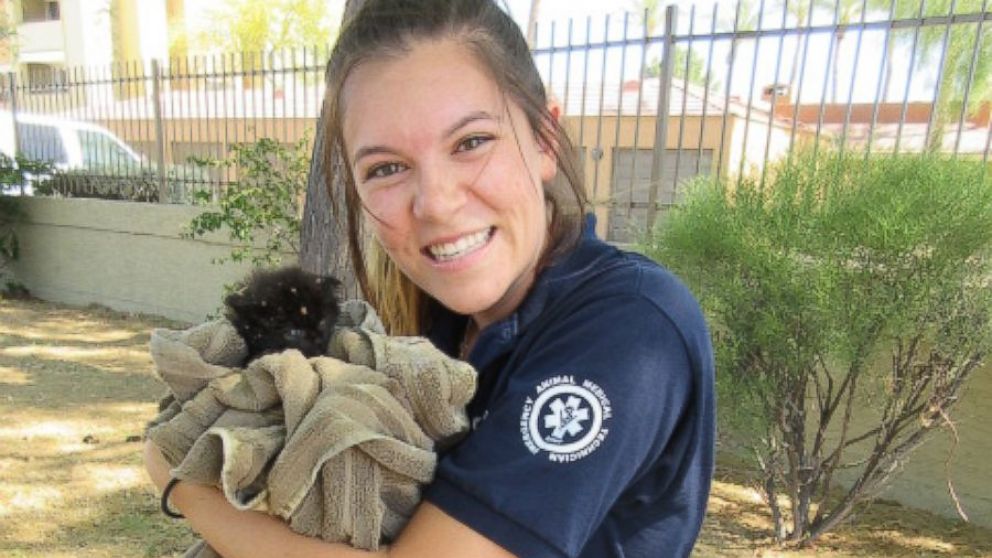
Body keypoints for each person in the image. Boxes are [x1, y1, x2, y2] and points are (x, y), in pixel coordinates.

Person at [143, 0, 716, 556]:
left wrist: (182, 480)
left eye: (471, 143)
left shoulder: (630, 327)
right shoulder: (434, 332)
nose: (436, 204)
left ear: (545, 139)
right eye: (387, 168)